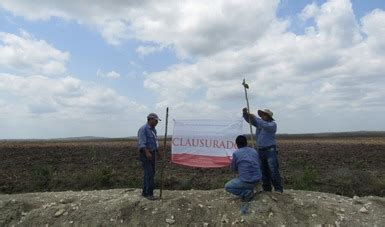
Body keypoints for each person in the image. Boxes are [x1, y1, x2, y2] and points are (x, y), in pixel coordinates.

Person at [242, 107, 283, 193]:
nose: (262, 116)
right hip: (260, 150)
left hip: (270, 150)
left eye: (264, 115)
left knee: (273, 170)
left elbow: (264, 125)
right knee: (263, 171)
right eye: (262, 115)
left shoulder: (272, 124)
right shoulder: (259, 124)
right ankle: (267, 189)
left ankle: (278, 189)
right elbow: (250, 121)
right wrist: (245, 114)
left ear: (268, 116)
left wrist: (255, 117)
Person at [225, 135, 261, 201]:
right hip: (258, 180)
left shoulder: (236, 154)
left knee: (227, 187)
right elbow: (259, 163)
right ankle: (252, 189)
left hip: (247, 182)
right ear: (246, 142)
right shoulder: (254, 151)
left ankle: (246, 193)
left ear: (237, 144)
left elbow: (233, 168)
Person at [137, 113, 162, 200]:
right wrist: (147, 153)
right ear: (150, 119)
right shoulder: (143, 129)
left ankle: (145, 192)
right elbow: (141, 143)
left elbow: (155, 142)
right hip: (146, 154)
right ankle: (149, 194)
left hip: (153, 153)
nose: (157, 122)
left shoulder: (153, 130)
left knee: (150, 173)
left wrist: (158, 152)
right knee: (149, 173)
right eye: (156, 120)